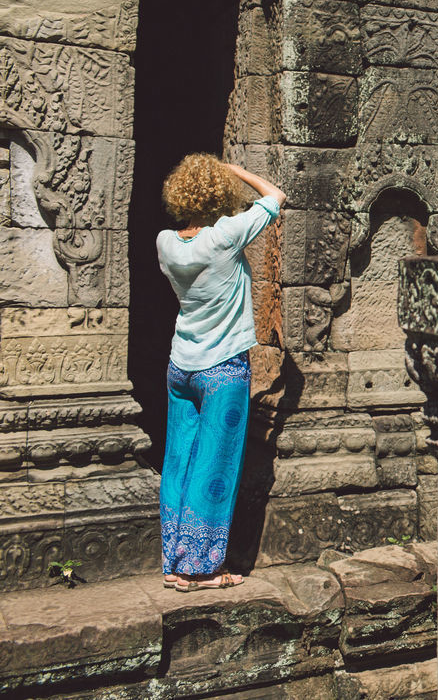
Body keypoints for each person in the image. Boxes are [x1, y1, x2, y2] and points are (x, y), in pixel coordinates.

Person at [156, 154, 285, 592]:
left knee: (178, 462)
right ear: (219, 195)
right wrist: (234, 171)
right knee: (215, 467)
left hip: (180, 366)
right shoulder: (225, 236)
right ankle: (204, 568)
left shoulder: (165, 242)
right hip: (222, 367)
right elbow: (274, 197)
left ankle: (174, 562)